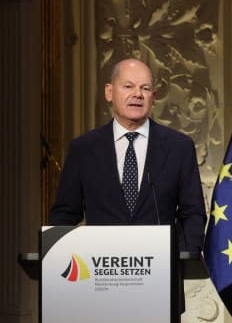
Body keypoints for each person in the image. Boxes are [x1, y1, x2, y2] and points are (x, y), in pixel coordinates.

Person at [49, 58, 206, 255]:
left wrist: (183, 260)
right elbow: (64, 215)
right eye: (128, 86)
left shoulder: (179, 147)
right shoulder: (84, 149)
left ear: (153, 97)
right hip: (101, 271)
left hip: (161, 269)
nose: (137, 94)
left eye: (145, 88)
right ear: (109, 92)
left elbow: (193, 213)